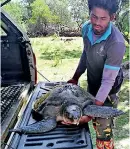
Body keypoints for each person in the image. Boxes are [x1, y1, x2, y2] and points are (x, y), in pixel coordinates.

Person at [65, 0, 126, 149]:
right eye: (94, 16)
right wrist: (75, 77)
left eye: (103, 18)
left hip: (108, 92)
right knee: (91, 122)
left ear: (112, 17)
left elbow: (107, 82)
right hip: (92, 86)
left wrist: (92, 113)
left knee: (103, 134)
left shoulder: (116, 43)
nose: (97, 23)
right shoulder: (86, 28)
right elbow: (86, 54)